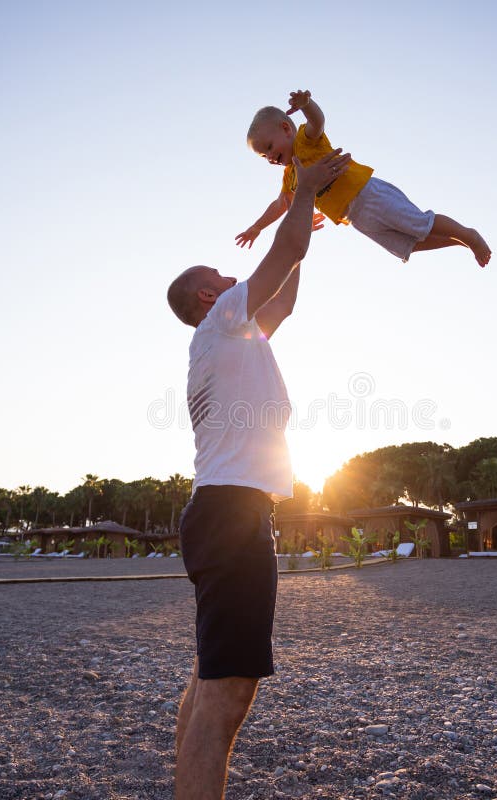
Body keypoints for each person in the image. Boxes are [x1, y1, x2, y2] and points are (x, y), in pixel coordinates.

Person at [166, 148, 351, 800]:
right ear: (208, 295)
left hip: (227, 513)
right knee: (229, 690)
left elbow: (285, 293)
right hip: (231, 515)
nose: (234, 277)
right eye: (223, 274)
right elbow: (278, 257)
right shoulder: (220, 321)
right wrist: (303, 193)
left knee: (212, 678)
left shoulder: (232, 339)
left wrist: (305, 235)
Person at [236, 89, 491, 267]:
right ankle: (461, 242)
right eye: (263, 156)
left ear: (285, 129)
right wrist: (257, 227)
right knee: (406, 247)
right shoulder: (291, 176)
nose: (269, 157)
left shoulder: (305, 141)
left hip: (367, 195)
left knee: (421, 223)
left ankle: (468, 235)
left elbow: (318, 122)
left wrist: (306, 106)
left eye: (269, 147)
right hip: (355, 217)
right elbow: (281, 203)